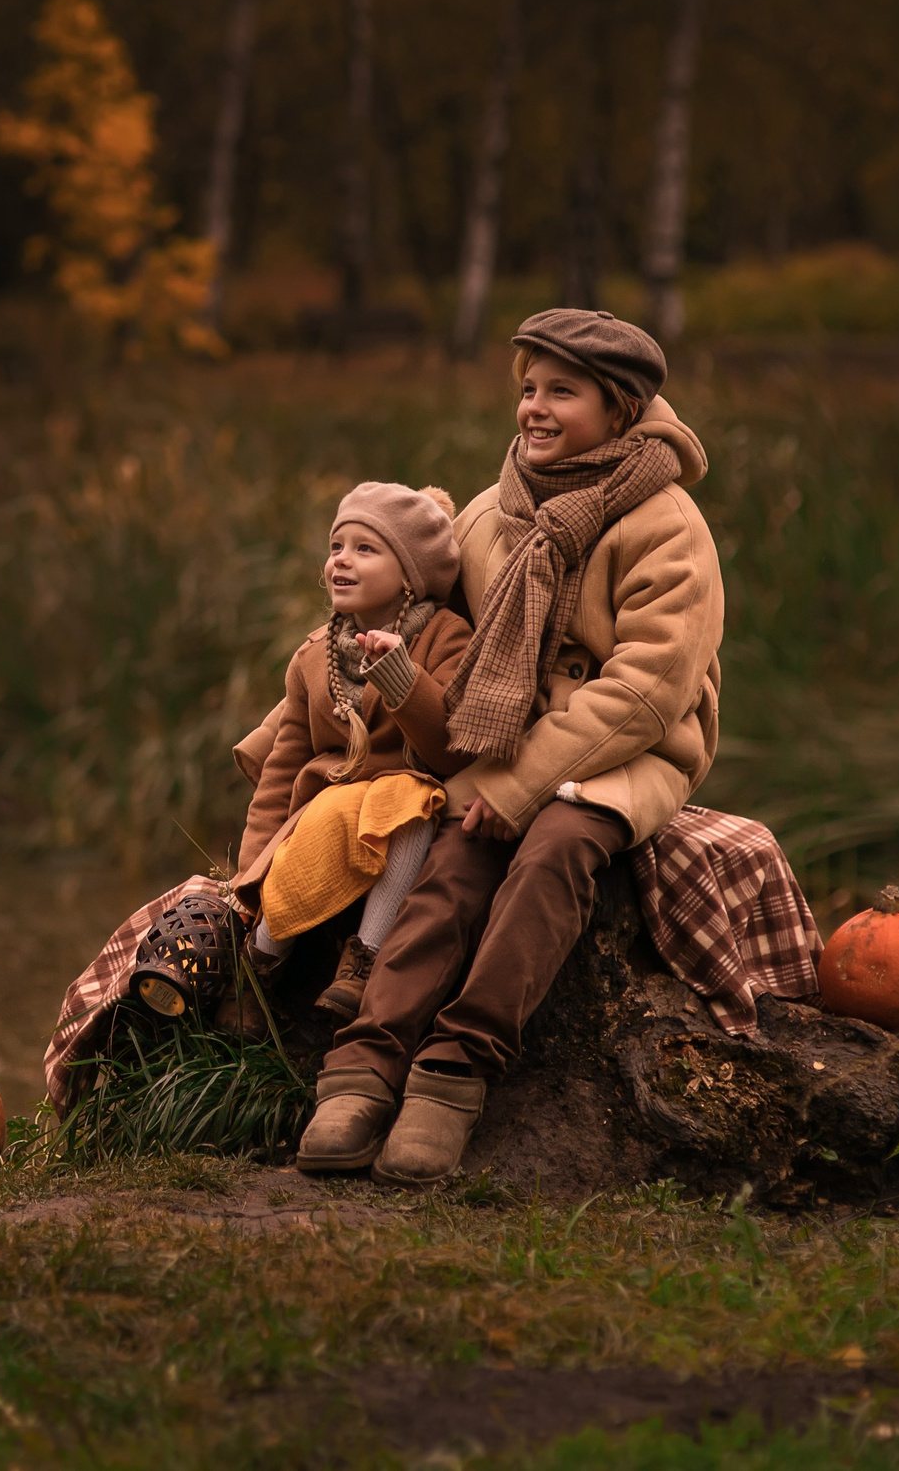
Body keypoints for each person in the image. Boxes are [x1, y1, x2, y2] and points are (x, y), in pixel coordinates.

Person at [297, 308, 723, 1186]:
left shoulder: (666, 524)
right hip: (509, 738)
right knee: (452, 863)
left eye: (561, 392)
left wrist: (525, 785)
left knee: (555, 850)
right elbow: (443, 628)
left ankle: (456, 1070)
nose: (533, 408)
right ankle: (365, 1063)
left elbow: (647, 690)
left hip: (627, 753)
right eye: (527, 388)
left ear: (621, 406)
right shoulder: (496, 512)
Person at [223, 483, 472, 1023]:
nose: (342, 560)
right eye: (337, 546)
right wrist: (251, 869)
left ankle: (364, 958)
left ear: (410, 574)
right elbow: (282, 769)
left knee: (411, 799)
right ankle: (259, 966)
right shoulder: (314, 656)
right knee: (298, 855)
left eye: (366, 549)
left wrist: (403, 677)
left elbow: (450, 750)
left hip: (404, 804)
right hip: (327, 808)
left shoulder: (446, 638)